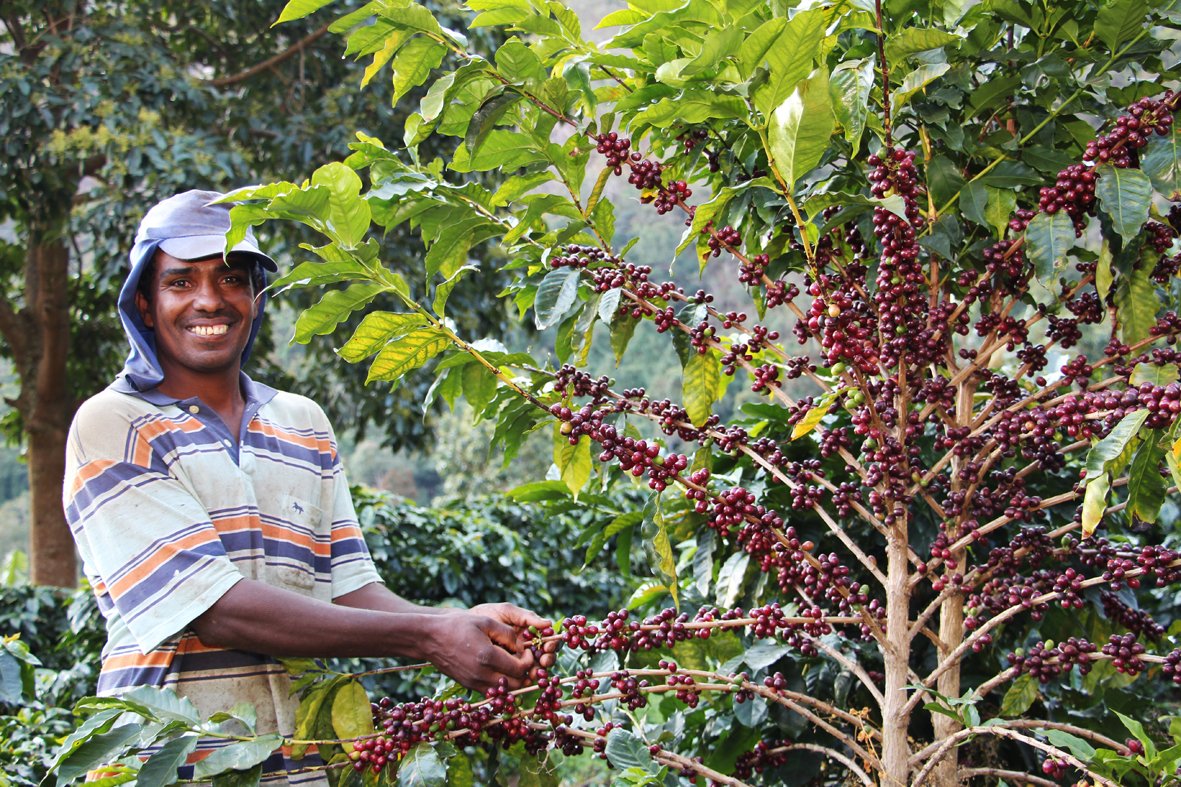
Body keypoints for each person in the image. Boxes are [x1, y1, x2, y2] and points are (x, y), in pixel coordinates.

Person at [62, 190, 550, 784]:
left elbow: (346, 588)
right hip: (167, 761)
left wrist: (467, 628)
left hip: (305, 759)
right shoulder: (113, 424)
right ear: (144, 303)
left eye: (231, 279)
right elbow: (213, 609)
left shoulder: (301, 421)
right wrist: (430, 636)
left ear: (256, 296)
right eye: (180, 283)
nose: (210, 300)